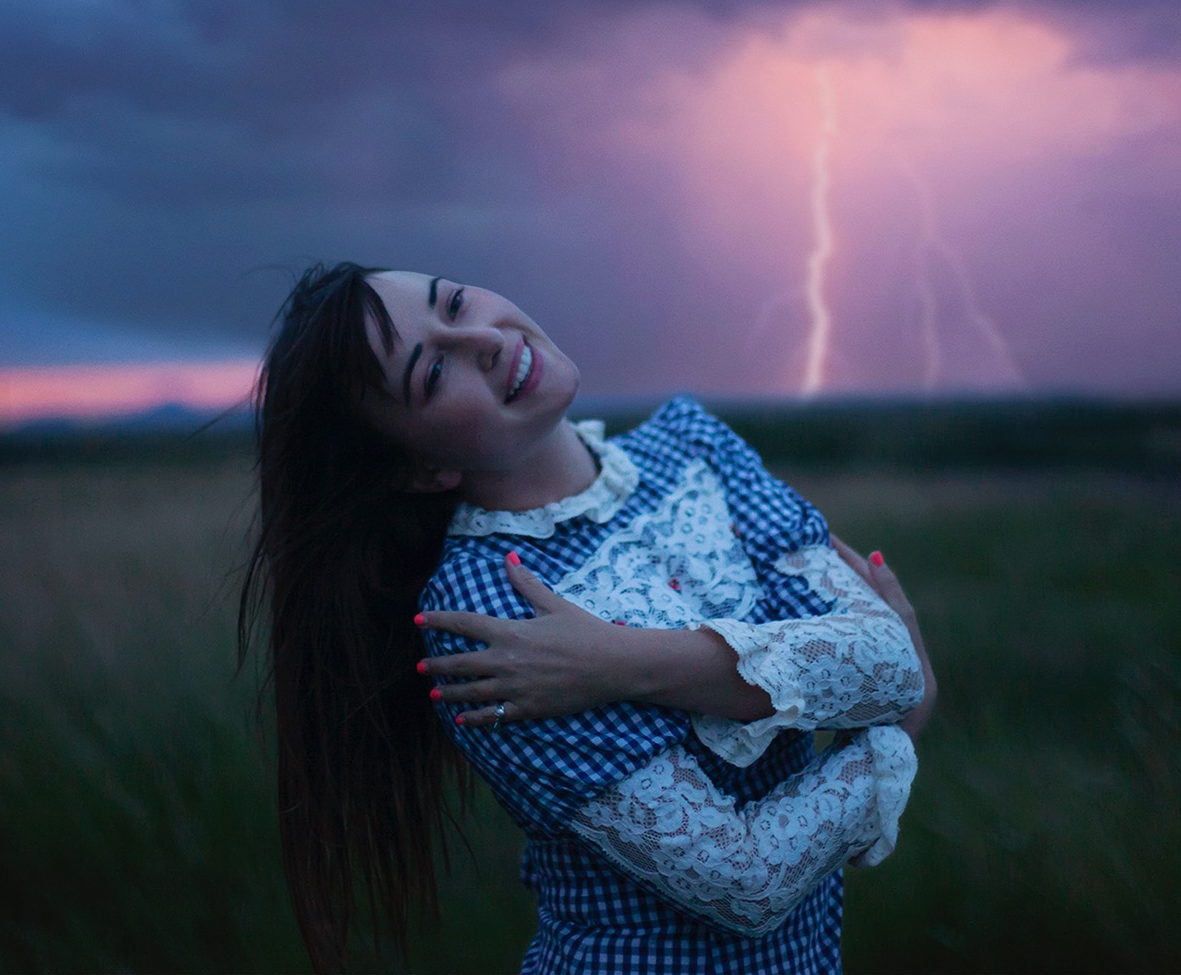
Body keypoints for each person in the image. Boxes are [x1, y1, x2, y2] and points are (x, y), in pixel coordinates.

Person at [239, 261, 935, 975]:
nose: (481, 337)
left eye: (455, 301)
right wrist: (893, 737)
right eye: (434, 373)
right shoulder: (484, 610)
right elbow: (747, 880)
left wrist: (619, 663)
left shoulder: (691, 448)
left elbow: (888, 662)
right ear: (419, 470)